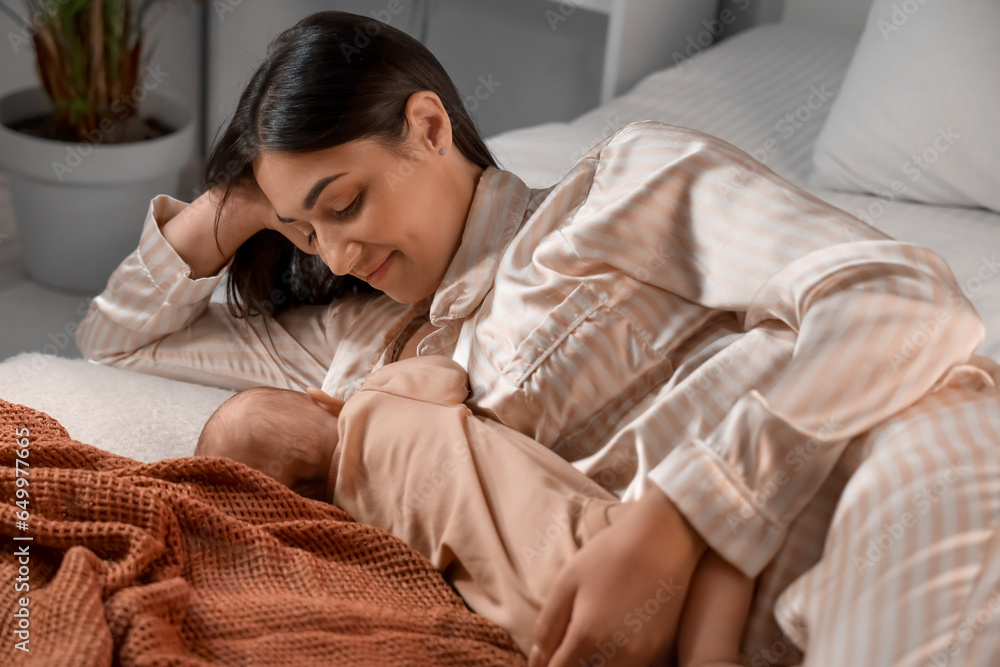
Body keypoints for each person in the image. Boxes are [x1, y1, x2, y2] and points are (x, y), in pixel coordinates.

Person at [75, 9, 1000, 667]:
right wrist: (233, 207)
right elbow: (113, 339)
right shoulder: (359, 350)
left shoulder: (619, 191)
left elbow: (901, 298)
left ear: (429, 125)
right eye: (306, 232)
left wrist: (685, 515)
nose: (340, 252)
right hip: (746, 623)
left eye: (346, 201)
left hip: (889, 468)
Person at [194, 353, 753, 666]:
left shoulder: (361, 528)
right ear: (323, 400)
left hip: (534, 630)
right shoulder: (377, 397)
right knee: (704, 526)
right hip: (598, 546)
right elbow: (449, 373)